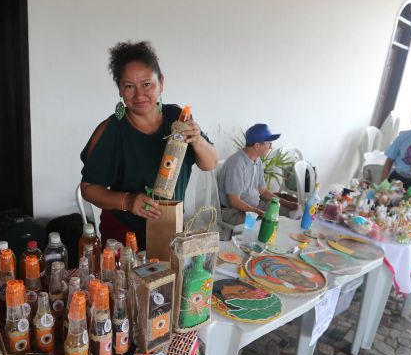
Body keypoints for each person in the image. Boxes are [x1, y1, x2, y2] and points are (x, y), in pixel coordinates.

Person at [80, 41, 218, 247]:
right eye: (129, 86)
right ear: (119, 89)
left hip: (170, 228)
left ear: (161, 82)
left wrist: (197, 140)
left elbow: (210, 163)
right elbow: (88, 189)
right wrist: (128, 201)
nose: (139, 95)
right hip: (125, 236)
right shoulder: (111, 131)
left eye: (146, 84)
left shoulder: (177, 118)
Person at [217, 123, 298, 225]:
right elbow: (234, 201)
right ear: (257, 146)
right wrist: (259, 213)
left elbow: (263, 191)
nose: (271, 147)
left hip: (255, 206)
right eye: (269, 144)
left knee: (290, 213)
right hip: (235, 212)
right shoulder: (236, 164)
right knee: (269, 223)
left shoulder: (257, 160)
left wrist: (287, 203)